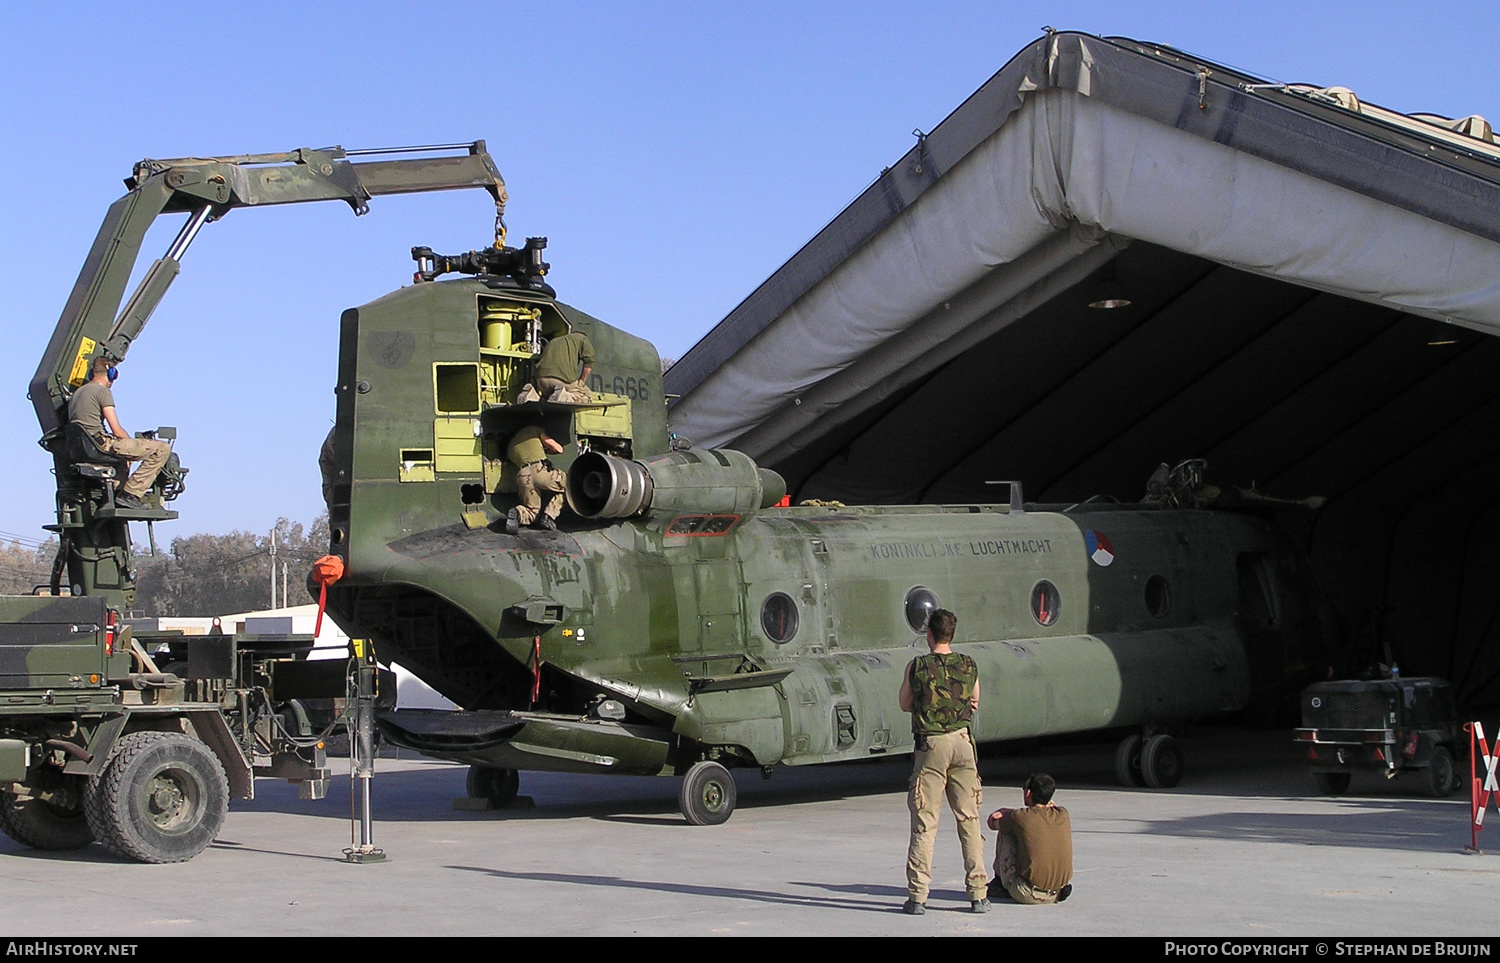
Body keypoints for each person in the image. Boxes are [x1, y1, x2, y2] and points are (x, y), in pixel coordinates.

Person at [899, 608, 988, 915]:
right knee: (969, 819)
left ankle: (918, 896)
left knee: (925, 824)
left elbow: (904, 703)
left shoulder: (917, 666)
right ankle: (978, 893)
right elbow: (975, 700)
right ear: (952, 634)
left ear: (929, 634)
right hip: (963, 743)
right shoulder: (969, 664)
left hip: (932, 745)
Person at [68, 357, 169, 511]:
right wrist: (132, 445)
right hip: (101, 444)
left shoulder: (77, 393)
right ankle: (131, 494)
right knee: (162, 449)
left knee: (122, 460)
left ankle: (116, 494)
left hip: (86, 447)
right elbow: (116, 430)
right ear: (111, 373)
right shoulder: (102, 391)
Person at [987, 773, 1073, 905]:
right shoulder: (1063, 814)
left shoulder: (1020, 817)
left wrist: (1005, 812)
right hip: (1057, 893)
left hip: (1027, 893)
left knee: (1006, 830)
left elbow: (993, 823)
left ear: (1028, 793)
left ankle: (999, 884)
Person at [505, 424, 567, 534]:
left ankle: (518, 513)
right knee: (569, 485)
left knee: (532, 512)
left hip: (523, 476)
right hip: (540, 470)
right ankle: (549, 516)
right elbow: (559, 449)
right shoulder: (532, 430)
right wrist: (545, 449)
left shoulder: (510, 448)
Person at [533, 330, 594, 403]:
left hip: (541, 381)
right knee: (586, 395)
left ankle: (532, 396)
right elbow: (589, 363)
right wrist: (581, 382)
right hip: (561, 380)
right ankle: (564, 397)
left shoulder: (554, 341)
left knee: (548, 398)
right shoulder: (582, 338)